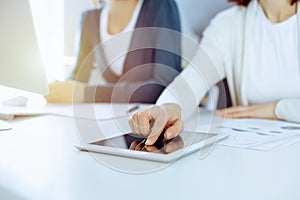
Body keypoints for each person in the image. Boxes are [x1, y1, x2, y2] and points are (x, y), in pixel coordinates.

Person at [128, 0, 300, 145]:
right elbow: (191, 82)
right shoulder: (229, 24)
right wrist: (167, 108)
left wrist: (276, 109)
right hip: (254, 152)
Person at [46, 0, 182, 104]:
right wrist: (57, 89)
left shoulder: (160, 7)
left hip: (156, 125)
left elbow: (163, 85)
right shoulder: (89, 19)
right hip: (115, 121)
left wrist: (87, 94)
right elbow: (77, 79)